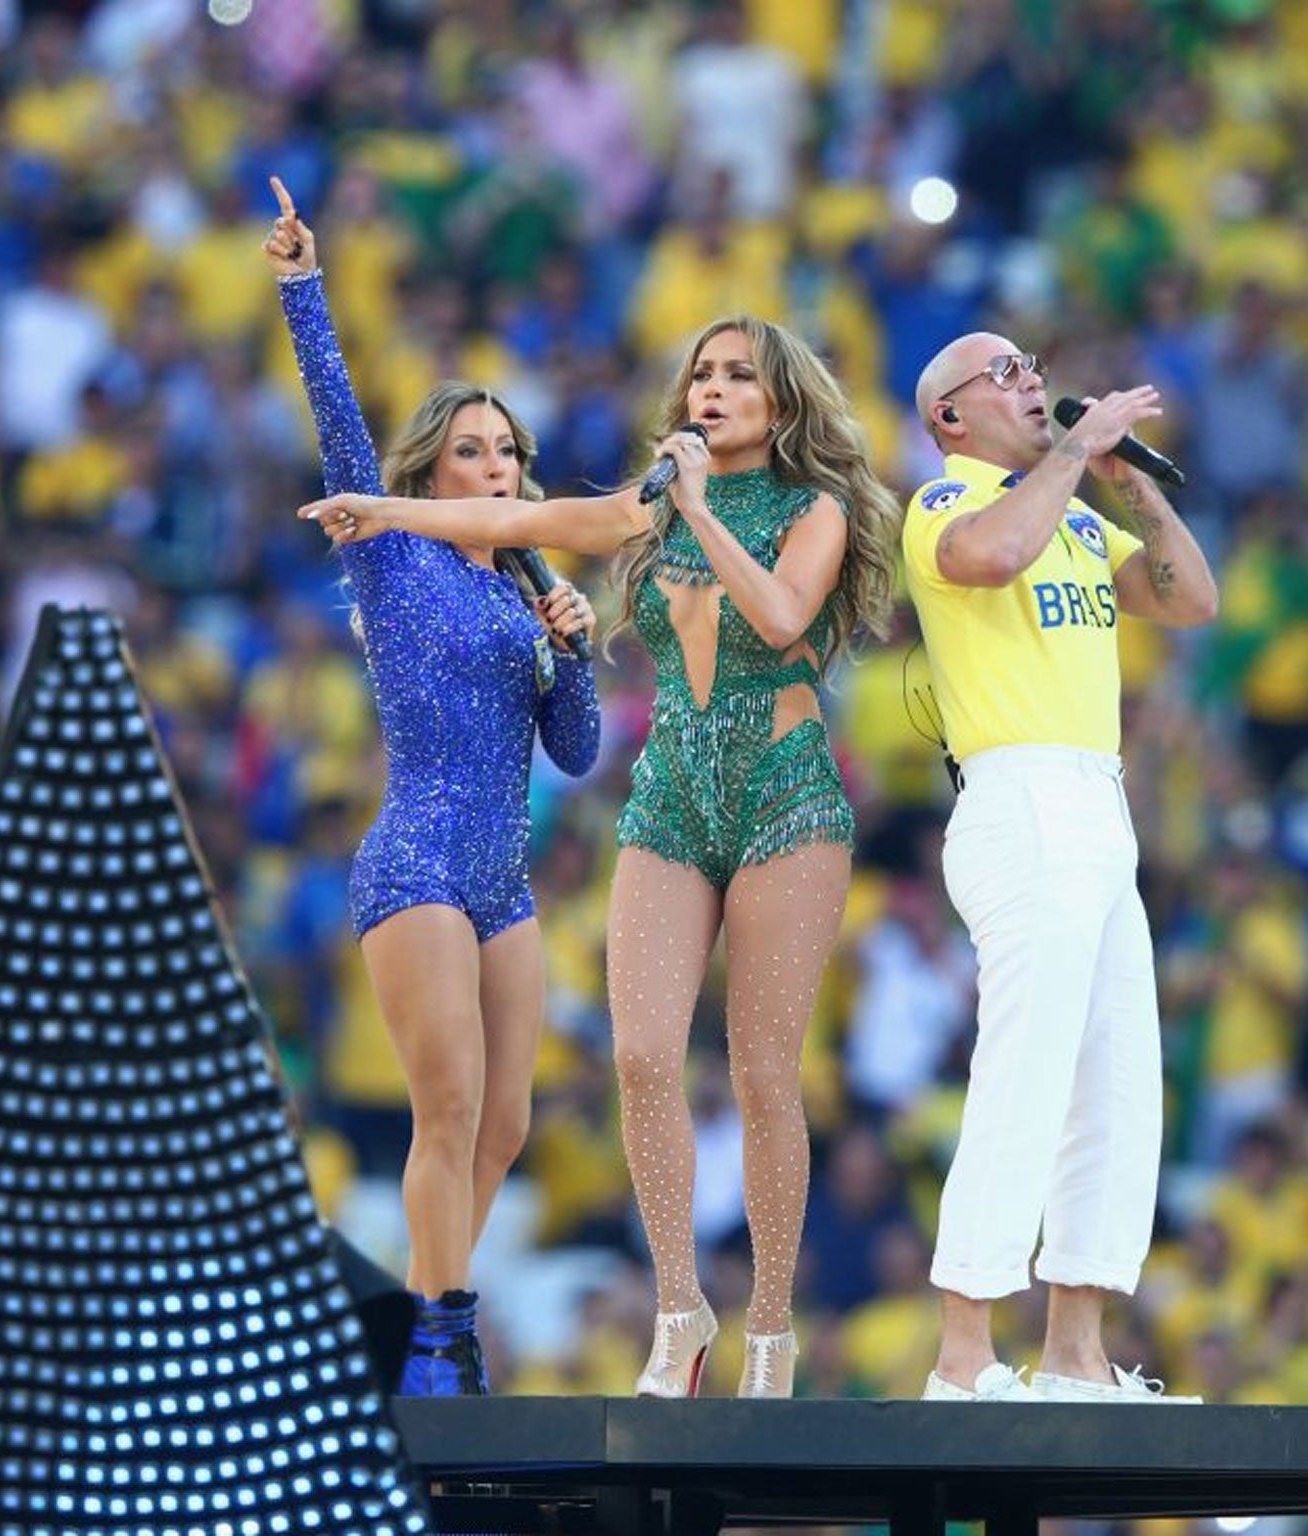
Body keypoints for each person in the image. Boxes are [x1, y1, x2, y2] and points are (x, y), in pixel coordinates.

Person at [302, 314, 898, 1398]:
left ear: (781, 402)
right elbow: (523, 514)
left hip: (782, 792)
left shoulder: (816, 509)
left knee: (763, 1074)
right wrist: (381, 509)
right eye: (699, 376)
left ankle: (770, 1331)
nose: (709, 392)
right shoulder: (645, 506)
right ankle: (676, 1312)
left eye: (736, 377)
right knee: (633, 1061)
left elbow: (773, 618)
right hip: (663, 797)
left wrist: (682, 523)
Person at [264, 177, 602, 1396]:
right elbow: (341, 433)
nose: (498, 464)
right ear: (432, 471)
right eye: (472, 448)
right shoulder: (395, 557)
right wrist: (305, 288)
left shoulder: (524, 590)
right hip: (415, 860)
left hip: (502, 879)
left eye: (510, 449)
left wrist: (567, 642)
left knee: (503, 1126)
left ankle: (425, 1311)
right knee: (446, 1107)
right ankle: (441, 1337)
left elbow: (574, 750)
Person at [899, 333, 1219, 1403]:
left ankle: (1075, 1351)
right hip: (1017, 792)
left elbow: (1186, 600)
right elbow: (988, 559)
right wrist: (1074, 455)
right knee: (1025, 1071)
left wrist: (1127, 487)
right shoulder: (944, 505)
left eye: (1032, 364)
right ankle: (961, 1353)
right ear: (948, 415)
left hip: (1097, 795)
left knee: (1117, 1078)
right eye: (1002, 372)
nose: (1030, 378)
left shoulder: (1076, 508)